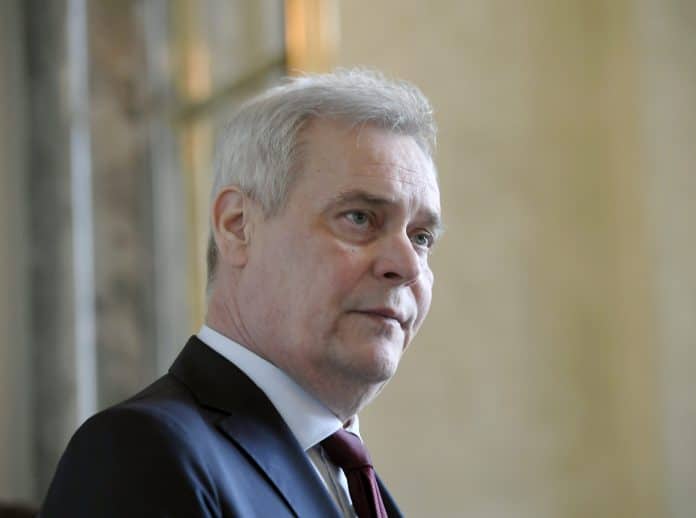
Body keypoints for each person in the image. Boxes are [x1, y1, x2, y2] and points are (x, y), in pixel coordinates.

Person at [40, 69, 442, 517]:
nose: (408, 266)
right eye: (360, 218)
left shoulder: (352, 479)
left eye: (421, 237)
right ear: (237, 226)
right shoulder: (139, 454)